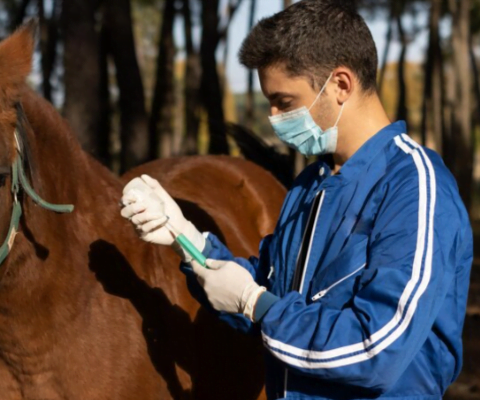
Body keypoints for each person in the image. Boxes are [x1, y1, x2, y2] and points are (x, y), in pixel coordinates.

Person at [120, 0, 473, 399]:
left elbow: (376, 350)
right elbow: (270, 291)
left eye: (284, 102)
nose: (272, 117)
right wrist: (189, 242)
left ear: (341, 84)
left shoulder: (415, 187)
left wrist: (257, 304)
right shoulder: (311, 185)